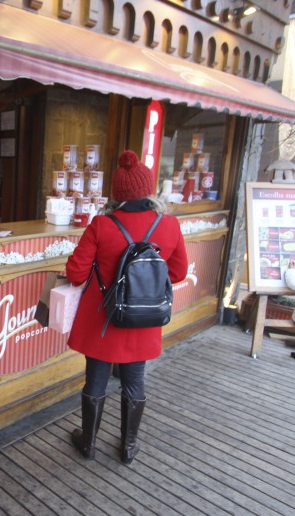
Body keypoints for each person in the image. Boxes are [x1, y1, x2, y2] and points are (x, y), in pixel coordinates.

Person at [64, 150, 188, 464]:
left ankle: (88, 443)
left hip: (102, 318)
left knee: (96, 379)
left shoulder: (101, 225)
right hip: (143, 316)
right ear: (149, 190)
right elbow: (177, 272)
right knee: (135, 380)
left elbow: (77, 274)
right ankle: (129, 447)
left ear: (116, 194)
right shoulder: (169, 225)